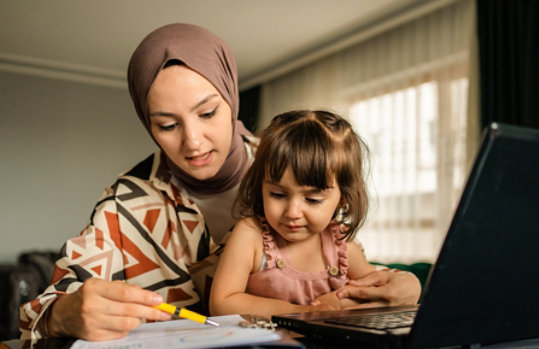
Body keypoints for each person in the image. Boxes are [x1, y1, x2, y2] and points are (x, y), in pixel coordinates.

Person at [19, 23, 421, 342]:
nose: (193, 142)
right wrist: (63, 315)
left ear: (232, 97)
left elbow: (336, 266)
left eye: (208, 113)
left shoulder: (287, 162)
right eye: (168, 124)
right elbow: (42, 309)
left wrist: (402, 284)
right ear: (148, 124)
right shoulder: (126, 205)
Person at [211, 110, 381, 317]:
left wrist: (335, 302)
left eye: (312, 200)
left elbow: (376, 293)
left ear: (343, 198)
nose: (292, 212)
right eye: (277, 194)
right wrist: (297, 312)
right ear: (261, 187)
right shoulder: (251, 235)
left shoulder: (341, 245)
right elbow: (222, 304)